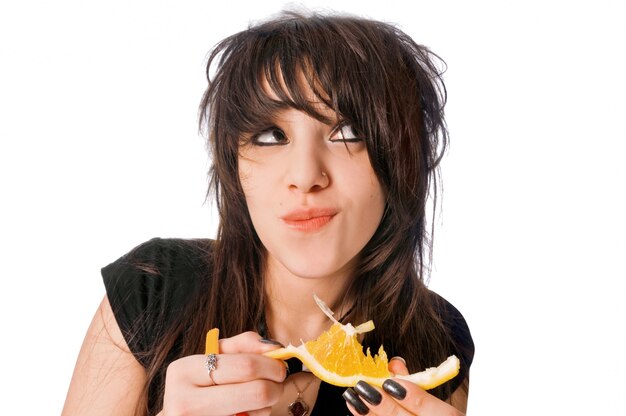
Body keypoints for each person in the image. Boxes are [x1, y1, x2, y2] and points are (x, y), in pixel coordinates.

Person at [62, 10, 474, 416]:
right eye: (270, 136)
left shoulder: (436, 338)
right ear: (234, 165)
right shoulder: (151, 290)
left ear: (401, 159)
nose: (305, 176)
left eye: (348, 132)